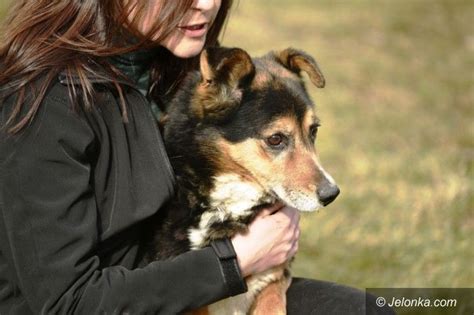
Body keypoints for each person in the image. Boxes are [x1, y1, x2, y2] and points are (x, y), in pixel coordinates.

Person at [0, 0, 394, 314]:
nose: (206, 4)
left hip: (184, 286)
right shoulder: (42, 106)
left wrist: (274, 203)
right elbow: (68, 302)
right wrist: (235, 261)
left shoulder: (176, 67)